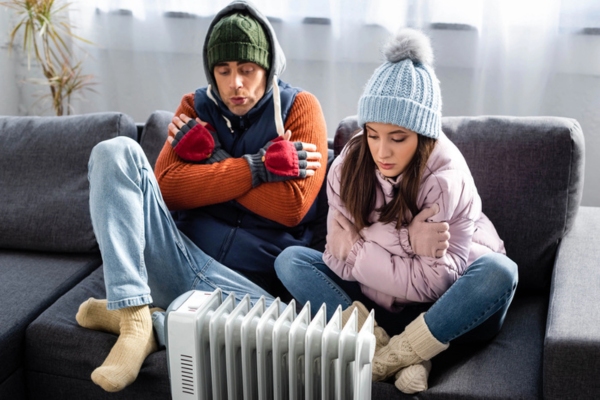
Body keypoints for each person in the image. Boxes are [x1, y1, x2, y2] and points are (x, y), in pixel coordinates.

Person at [75, 0, 328, 392]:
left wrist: (213, 160)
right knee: (114, 152)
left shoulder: (301, 110)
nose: (235, 84)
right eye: (223, 71)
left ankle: (139, 318)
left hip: (239, 289)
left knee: (295, 338)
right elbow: (171, 189)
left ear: (269, 67)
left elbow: (291, 207)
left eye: (247, 70)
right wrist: (257, 168)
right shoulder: (196, 106)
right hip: (177, 255)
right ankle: (137, 315)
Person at [274, 28, 518, 394]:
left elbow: (433, 284)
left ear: (423, 137)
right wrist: (407, 241)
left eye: (398, 138)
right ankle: (405, 351)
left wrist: (359, 244)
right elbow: (336, 258)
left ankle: (388, 357)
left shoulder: (447, 178)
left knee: (501, 271)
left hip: (450, 310)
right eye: (372, 134)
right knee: (289, 261)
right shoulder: (347, 165)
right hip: (375, 301)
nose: (382, 152)